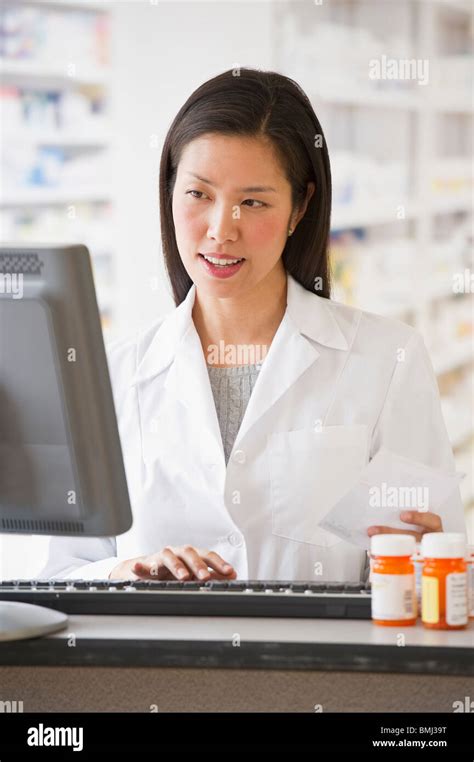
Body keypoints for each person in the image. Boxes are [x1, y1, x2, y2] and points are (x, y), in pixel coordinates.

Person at [40, 68, 465, 583]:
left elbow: (433, 564)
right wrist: (125, 570)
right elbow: (63, 575)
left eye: (253, 202)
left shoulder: (388, 359)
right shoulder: (109, 373)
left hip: (315, 663)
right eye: (199, 194)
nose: (221, 230)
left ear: (300, 206)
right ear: (170, 190)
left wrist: (424, 565)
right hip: (153, 664)